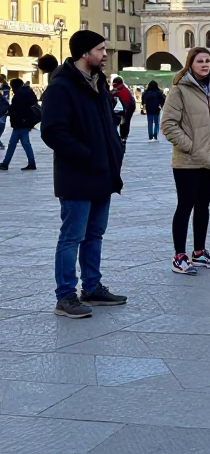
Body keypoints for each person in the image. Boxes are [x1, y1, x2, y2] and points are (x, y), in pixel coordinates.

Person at [39, 31, 127, 318]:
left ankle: (92, 287)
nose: (105, 54)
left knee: (95, 234)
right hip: (77, 175)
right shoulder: (61, 86)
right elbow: (52, 132)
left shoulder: (99, 83)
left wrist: (114, 151)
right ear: (83, 53)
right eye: (100, 49)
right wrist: (87, 155)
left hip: (103, 172)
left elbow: (104, 123)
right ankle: (65, 296)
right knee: (72, 236)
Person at [161, 47, 210, 274]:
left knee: (203, 206)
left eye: (208, 60)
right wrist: (190, 146)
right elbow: (168, 124)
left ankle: (199, 252)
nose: (204, 64)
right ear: (190, 64)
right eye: (200, 61)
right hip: (187, 160)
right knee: (185, 205)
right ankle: (179, 256)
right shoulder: (179, 90)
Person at [0, 78, 40, 170]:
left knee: (22, 143)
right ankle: (6, 163)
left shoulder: (20, 94)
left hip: (21, 123)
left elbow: (17, 108)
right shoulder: (26, 92)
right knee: (16, 143)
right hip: (23, 122)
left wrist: (9, 112)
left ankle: (7, 163)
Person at [110, 76, 135, 142]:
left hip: (116, 112)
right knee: (124, 124)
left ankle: (116, 138)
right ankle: (123, 138)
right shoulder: (126, 91)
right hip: (125, 112)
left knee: (115, 125)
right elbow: (130, 103)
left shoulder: (114, 91)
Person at [0, 75, 8, 149]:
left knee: (1, 128)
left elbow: (5, 99)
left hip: (2, 113)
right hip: (2, 113)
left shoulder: (4, 88)